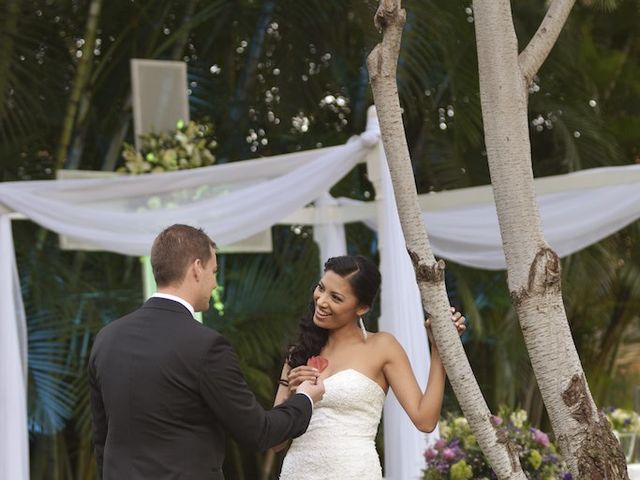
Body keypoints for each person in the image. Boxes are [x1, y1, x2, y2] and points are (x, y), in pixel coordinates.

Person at [89, 224, 324, 480]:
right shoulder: (206, 346)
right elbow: (258, 433)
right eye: (213, 272)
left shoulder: (107, 338)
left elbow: (102, 438)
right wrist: (305, 399)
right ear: (196, 268)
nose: (214, 283)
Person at [273, 255, 465, 479]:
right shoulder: (299, 352)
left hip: (355, 471)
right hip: (297, 471)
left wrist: (438, 350)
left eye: (335, 297)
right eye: (321, 288)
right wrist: (295, 397)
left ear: (362, 308)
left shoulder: (383, 346)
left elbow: (425, 420)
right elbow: (275, 443)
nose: (322, 301)